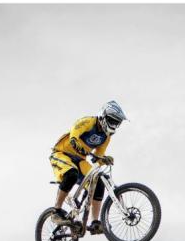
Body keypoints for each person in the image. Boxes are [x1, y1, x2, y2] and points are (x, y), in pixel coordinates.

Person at [49, 100, 128, 234]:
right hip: (62, 153)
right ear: (103, 116)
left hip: (80, 160)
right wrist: (74, 141)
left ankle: (95, 222)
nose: (114, 125)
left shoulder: (106, 137)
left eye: (116, 122)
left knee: (99, 180)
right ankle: (56, 211)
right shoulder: (88, 122)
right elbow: (74, 132)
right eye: (112, 120)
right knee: (72, 174)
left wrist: (104, 159)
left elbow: (97, 157)